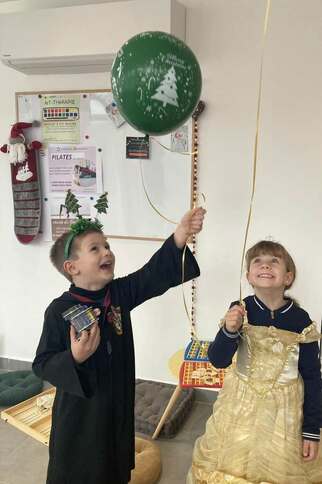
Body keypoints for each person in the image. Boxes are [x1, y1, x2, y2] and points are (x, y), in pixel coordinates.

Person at [33, 206, 205, 484]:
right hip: (81, 417)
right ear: (72, 267)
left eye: (107, 246)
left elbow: (151, 275)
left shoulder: (118, 294)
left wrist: (180, 235)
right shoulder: (59, 310)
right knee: (80, 469)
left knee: (114, 466)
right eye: (95, 249)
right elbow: (42, 363)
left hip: (117, 408)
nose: (107, 252)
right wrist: (75, 358)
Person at [187, 240, 322, 484]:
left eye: (274, 261)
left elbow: (313, 376)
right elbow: (218, 360)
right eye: (257, 261)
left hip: (286, 414)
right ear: (249, 276)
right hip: (240, 407)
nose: (265, 265)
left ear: (288, 277)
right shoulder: (240, 310)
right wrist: (229, 330)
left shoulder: (301, 321)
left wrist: (312, 430)